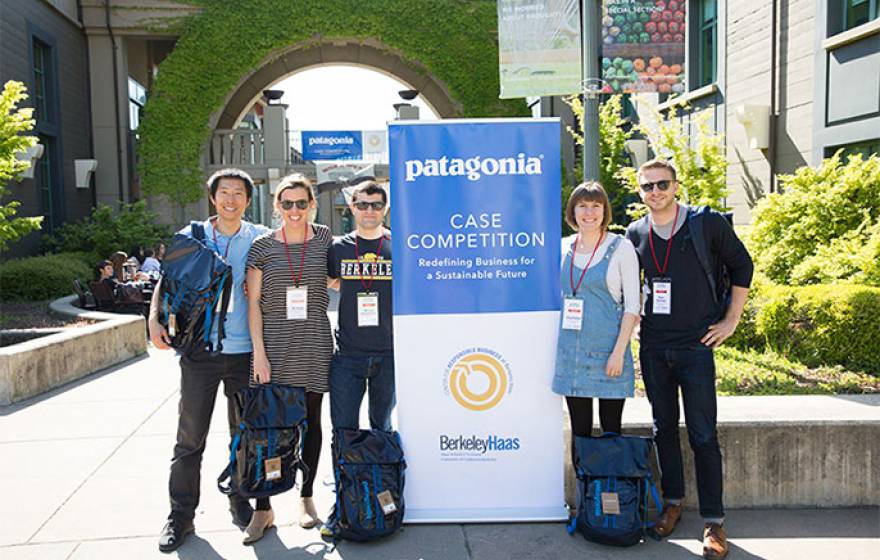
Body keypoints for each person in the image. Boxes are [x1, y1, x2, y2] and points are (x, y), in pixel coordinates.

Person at [625, 159, 753, 560]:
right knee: (663, 428)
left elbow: (742, 265)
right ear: (640, 192)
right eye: (647, 186)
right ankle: (673, 503)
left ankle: (714, 521)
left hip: (697, 345)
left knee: (702, 433)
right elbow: (630, 286)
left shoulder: (705, 223)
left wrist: (731, 320)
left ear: (676, 186)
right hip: (654, 346)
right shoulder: (635, 233)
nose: (655, 192)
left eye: (662, 184)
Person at [148, 168, 270, 553]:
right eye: (224, 192)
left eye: (238, 193)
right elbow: (168, 282)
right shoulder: (192, 236)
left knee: (244, 435)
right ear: (213, 198)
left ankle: (239, 498)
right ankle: (181, 515)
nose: (231, 199)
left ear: (248, 201)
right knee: (190, 439)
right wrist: (153, 318)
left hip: (243, 354)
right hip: (200, 352)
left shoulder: (260, 239)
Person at [244, 173, 333, 543]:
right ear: (276, 206)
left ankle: (307, 497)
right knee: (267, 428)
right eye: (287, 203)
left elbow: (339, 274)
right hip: (275, 349)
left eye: (301, 203)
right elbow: (253, 303)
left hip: (314, 344)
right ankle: (263, 508)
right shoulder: (262, 247)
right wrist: (259, 355)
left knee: (311, 423)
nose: (294, 210)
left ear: (312, 204)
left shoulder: (326, 239)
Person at [552, 182, 640, 498]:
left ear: (605, 211)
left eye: (596, 206)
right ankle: (586, 499)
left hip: (608, 352)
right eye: (583, 206)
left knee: (611, 429)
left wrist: (619, 352)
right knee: (579, 431)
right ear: (572, 212)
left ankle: (612, 499)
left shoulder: (621, 247)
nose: (589, 213)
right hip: (572, 352)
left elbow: (632, 305)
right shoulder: (562, 247)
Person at [327, 182, 394, 434]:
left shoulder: (398, 246)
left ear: (385, 209)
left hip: (389, 351)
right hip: (348, 353)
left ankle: (382, 474)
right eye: (362, 205)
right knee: (343, 427)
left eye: (376, 205)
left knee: (383, 426)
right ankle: (345, 475)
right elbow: (328, 280)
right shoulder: (338, 247)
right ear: (352, 208)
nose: (369, 210)